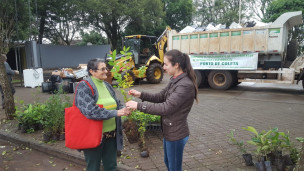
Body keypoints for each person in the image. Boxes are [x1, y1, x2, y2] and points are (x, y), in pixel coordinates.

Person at [126, 49, 198, 171]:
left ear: (176, 65)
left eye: (166, 64)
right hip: (169, 131)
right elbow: (160, 97)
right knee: (168, 162)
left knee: (174, 167)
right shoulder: (175, 79)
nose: (163, 67)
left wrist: (138, 106)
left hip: (176, 133)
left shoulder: (184, 85)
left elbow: (165, 108)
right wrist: (140, 95)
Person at [75, 58, 130, 171]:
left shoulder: (107, 85)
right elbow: (90, 111)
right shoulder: (84, 86)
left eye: (106, 68)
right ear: (92, 71)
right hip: (93, 136)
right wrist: (116, 112)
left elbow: (116, 104)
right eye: (103, 69)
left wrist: (125, 109)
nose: (106, 71)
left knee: (111, 167)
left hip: (111, 135)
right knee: (93, 167)